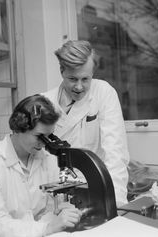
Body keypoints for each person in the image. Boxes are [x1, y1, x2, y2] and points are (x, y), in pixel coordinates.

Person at [0, 94, 82, 237]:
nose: (44, 143)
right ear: (18, 129)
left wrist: (64, 210)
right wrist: (46, 228)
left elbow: (55, 204)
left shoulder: (47, 159)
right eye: (39, 136)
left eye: (49, 136)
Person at [42, 40, 130, 207]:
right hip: (56, 192)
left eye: (85, 79)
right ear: (62, 71)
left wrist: (115, 202)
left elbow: (115, 152)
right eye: (72, 79)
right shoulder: (45, 101)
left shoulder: (103, 92)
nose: (79, 87)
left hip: (94, 187)